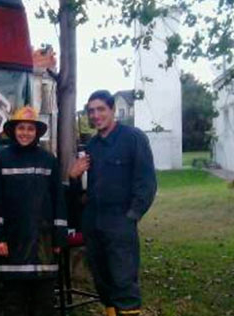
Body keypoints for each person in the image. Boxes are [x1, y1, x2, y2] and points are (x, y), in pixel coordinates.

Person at [69, 90, 157, 316]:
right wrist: (73, 176)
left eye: (100, 110)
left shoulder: (133, 138)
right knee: (103, 281)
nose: (96, 115)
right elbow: (83, 189)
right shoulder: (92, 146)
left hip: (120, 222)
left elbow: (146, 183)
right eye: (91, 111)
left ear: (112, 110)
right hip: (94, 222)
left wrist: (131, 217)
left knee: (123, 281)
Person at [0, 106, 67, 316]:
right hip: (12, 243)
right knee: (14, 306)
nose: (25, 133)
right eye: (21, 128)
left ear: (37, 132)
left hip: (44, 244)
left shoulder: (49, 160)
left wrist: (59, 238)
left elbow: (58, 200)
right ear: (13, 130)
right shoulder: (0, 160)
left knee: (45, 305)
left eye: (30, 129)